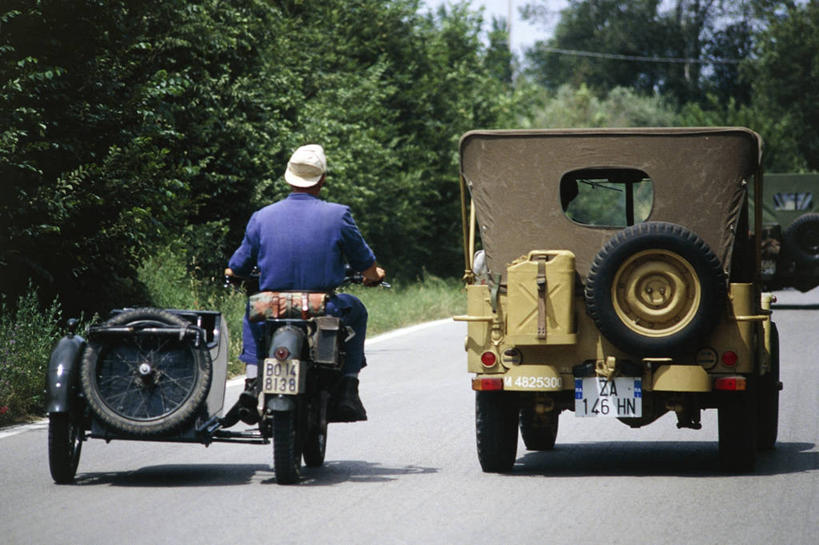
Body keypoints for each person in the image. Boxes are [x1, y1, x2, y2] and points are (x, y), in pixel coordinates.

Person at [221, 144, 385, 427]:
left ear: (288, 178)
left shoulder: (262, 216)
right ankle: (348, 386)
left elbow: (237, 268)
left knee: (253, 310)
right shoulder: (338, 215)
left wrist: (233, 274)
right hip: (322, 306)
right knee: (356, 310)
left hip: (272, 305)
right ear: (321, 179)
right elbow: (365, 264)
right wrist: (375, 274)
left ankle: (250, 382)